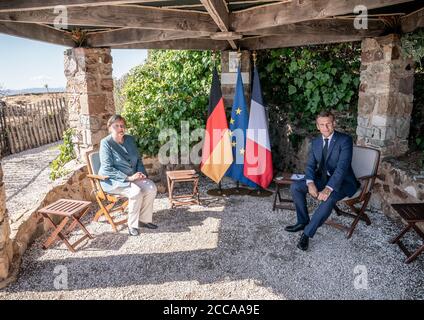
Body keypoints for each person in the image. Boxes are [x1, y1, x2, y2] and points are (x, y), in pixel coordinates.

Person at [287, 111, 359, 251]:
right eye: (322, 124)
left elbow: (342, 168)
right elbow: (310, 165)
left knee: (329, 198)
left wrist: (328, 188)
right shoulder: (316, 142)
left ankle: (307, 234)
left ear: (334, 123)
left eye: (328, 124)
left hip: (343, 182)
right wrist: (310, 183)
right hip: (323, 178)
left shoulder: (345, 140)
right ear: (317, 126)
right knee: (296, 186)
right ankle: (302, 221)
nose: (325, 127)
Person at [99, 114, 158, 236]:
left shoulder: (130, 139)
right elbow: (107, 168)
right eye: (116, 126)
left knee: (151, 188)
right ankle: (132, 226)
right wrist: (128, 178)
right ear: (110, 128)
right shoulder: (106, 143)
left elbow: (138, 159)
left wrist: (142, 173)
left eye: (122, 126)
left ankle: (143, 220)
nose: (120, 128)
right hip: (113, 180)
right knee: (136, 192)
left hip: (133, 177)